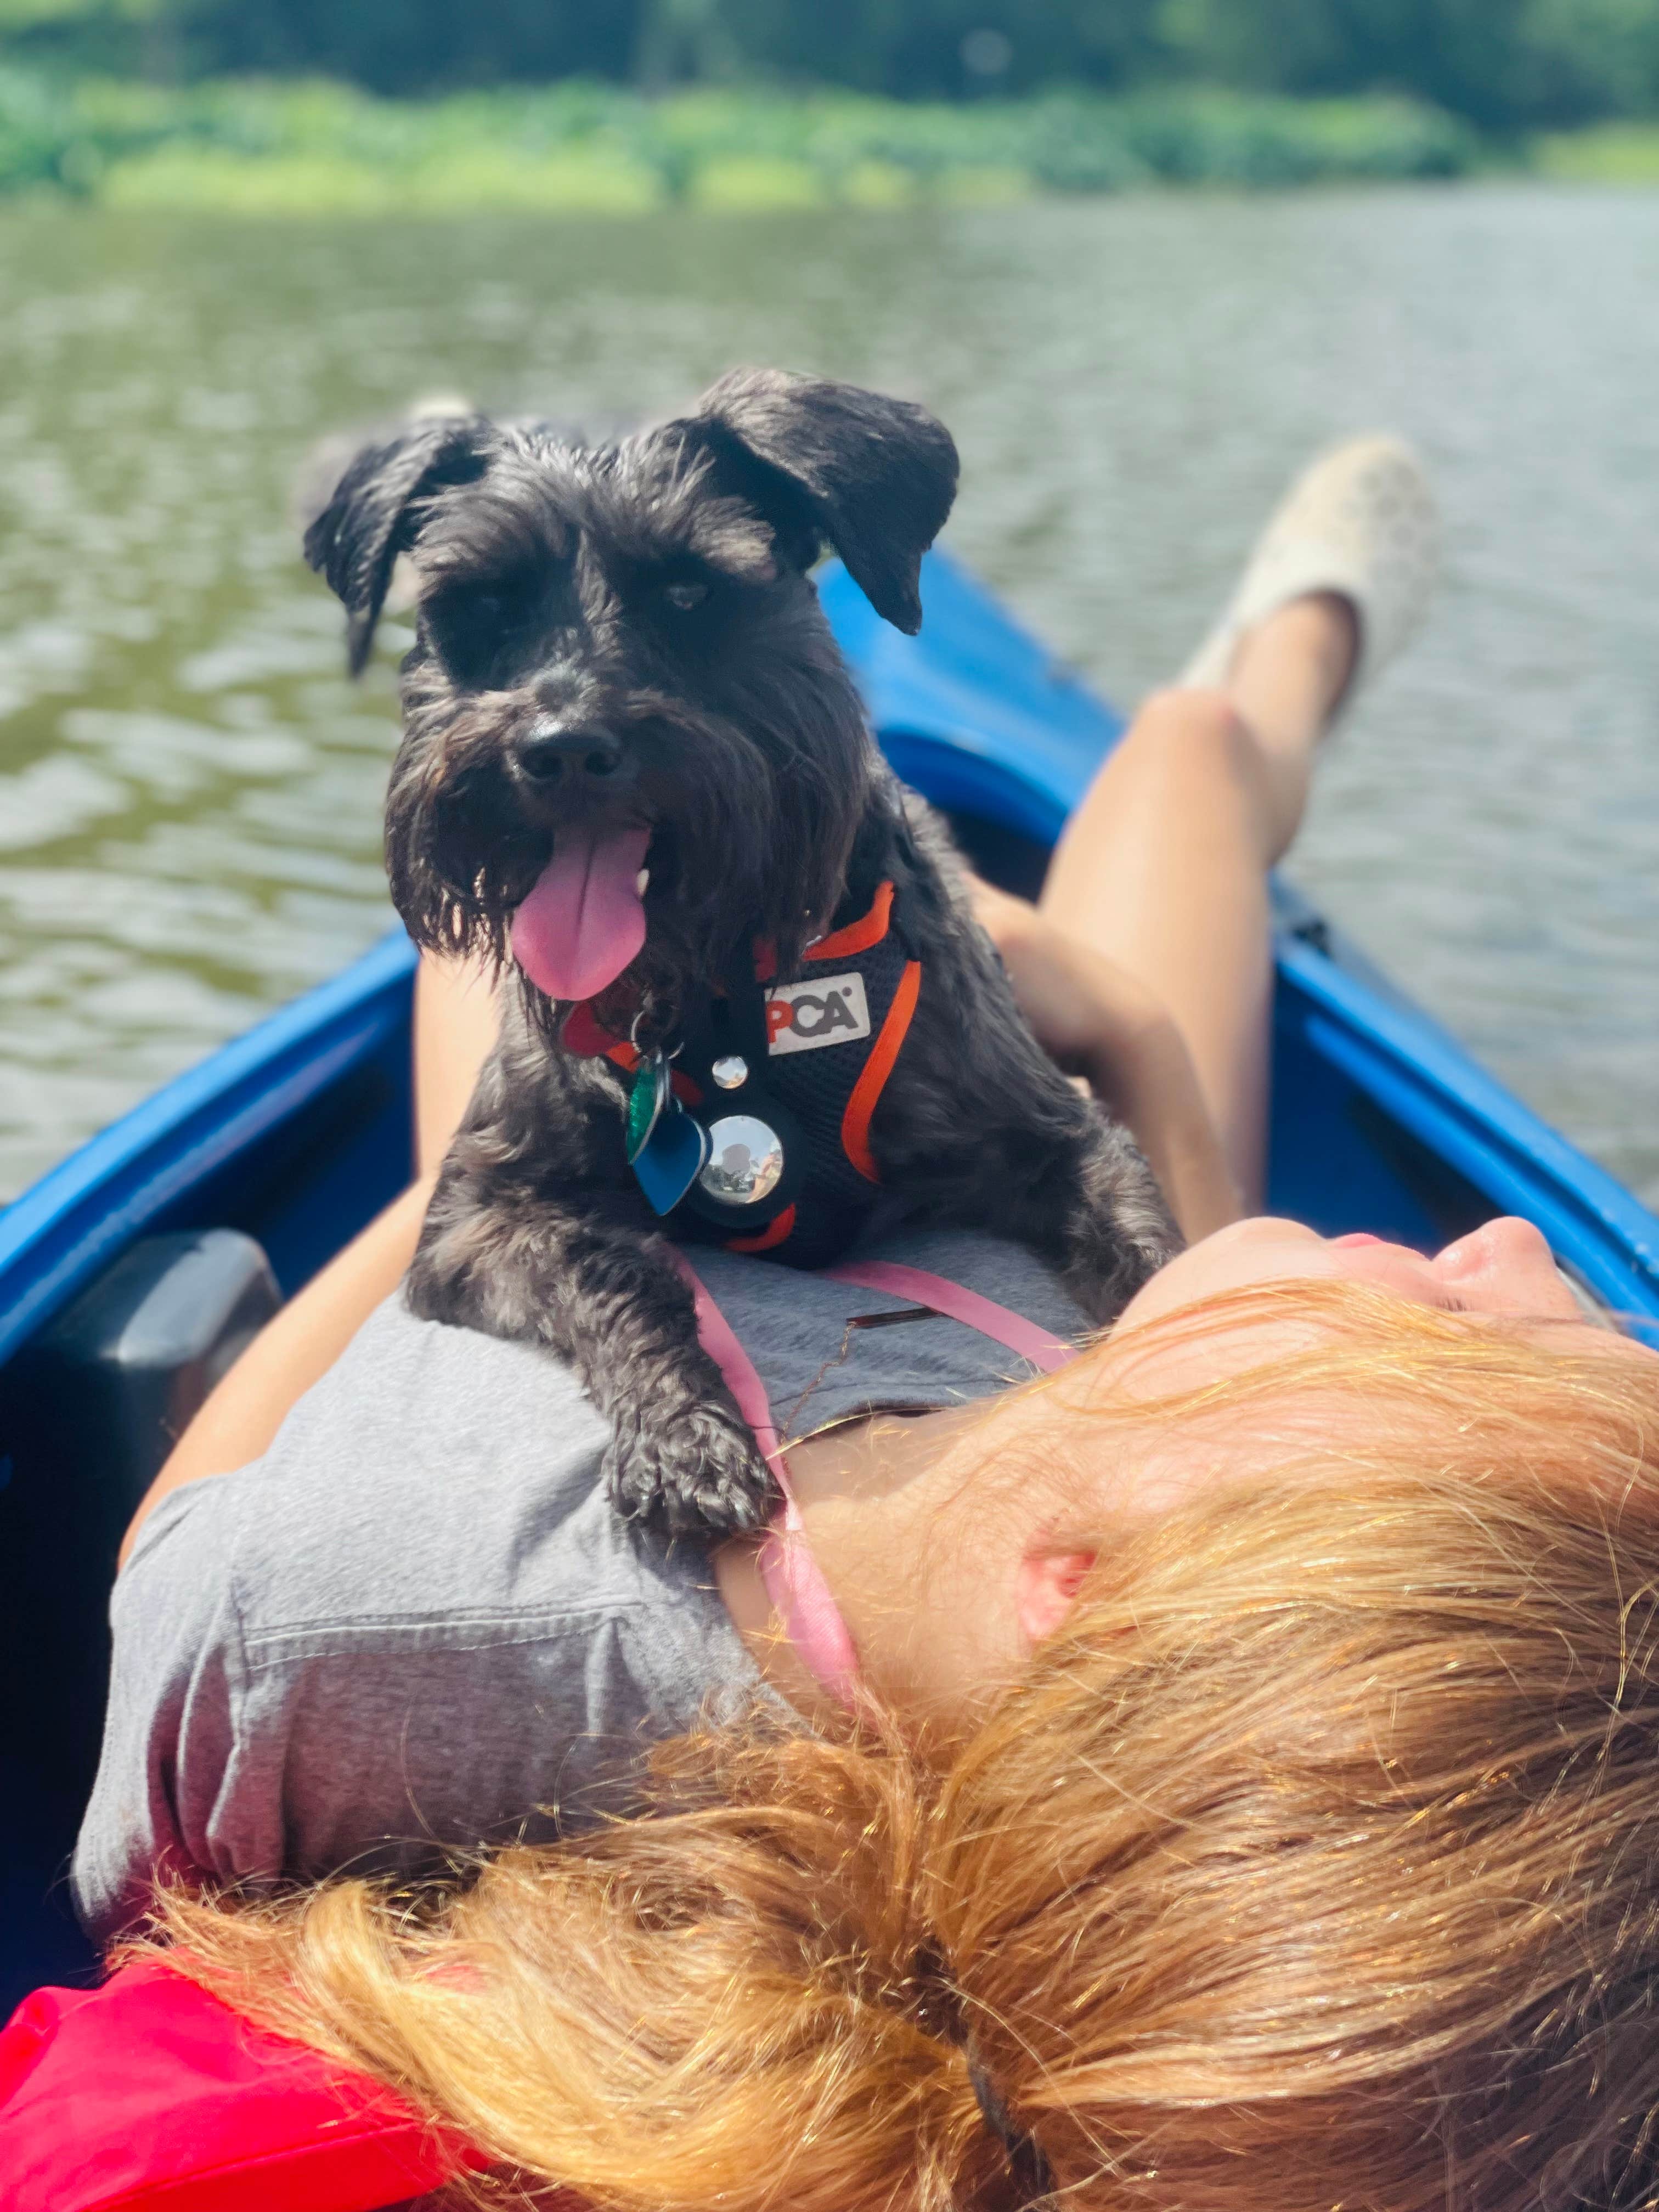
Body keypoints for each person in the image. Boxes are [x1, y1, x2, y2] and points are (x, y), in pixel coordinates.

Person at [74, 438, 1659, 2209]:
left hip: (645, 1248)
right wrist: (1130, 1042)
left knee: (501, 928)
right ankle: (1298, 641)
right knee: (1190, 761)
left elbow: (178, 1562)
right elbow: (1165, 1332)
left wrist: (460, 1172)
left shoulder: (402, 1613)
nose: (1510, 1240)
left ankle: (1280, 648)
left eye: (1458, 1325)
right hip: (1018, 1322)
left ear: (1094, 1593)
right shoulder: (1112, 1585)